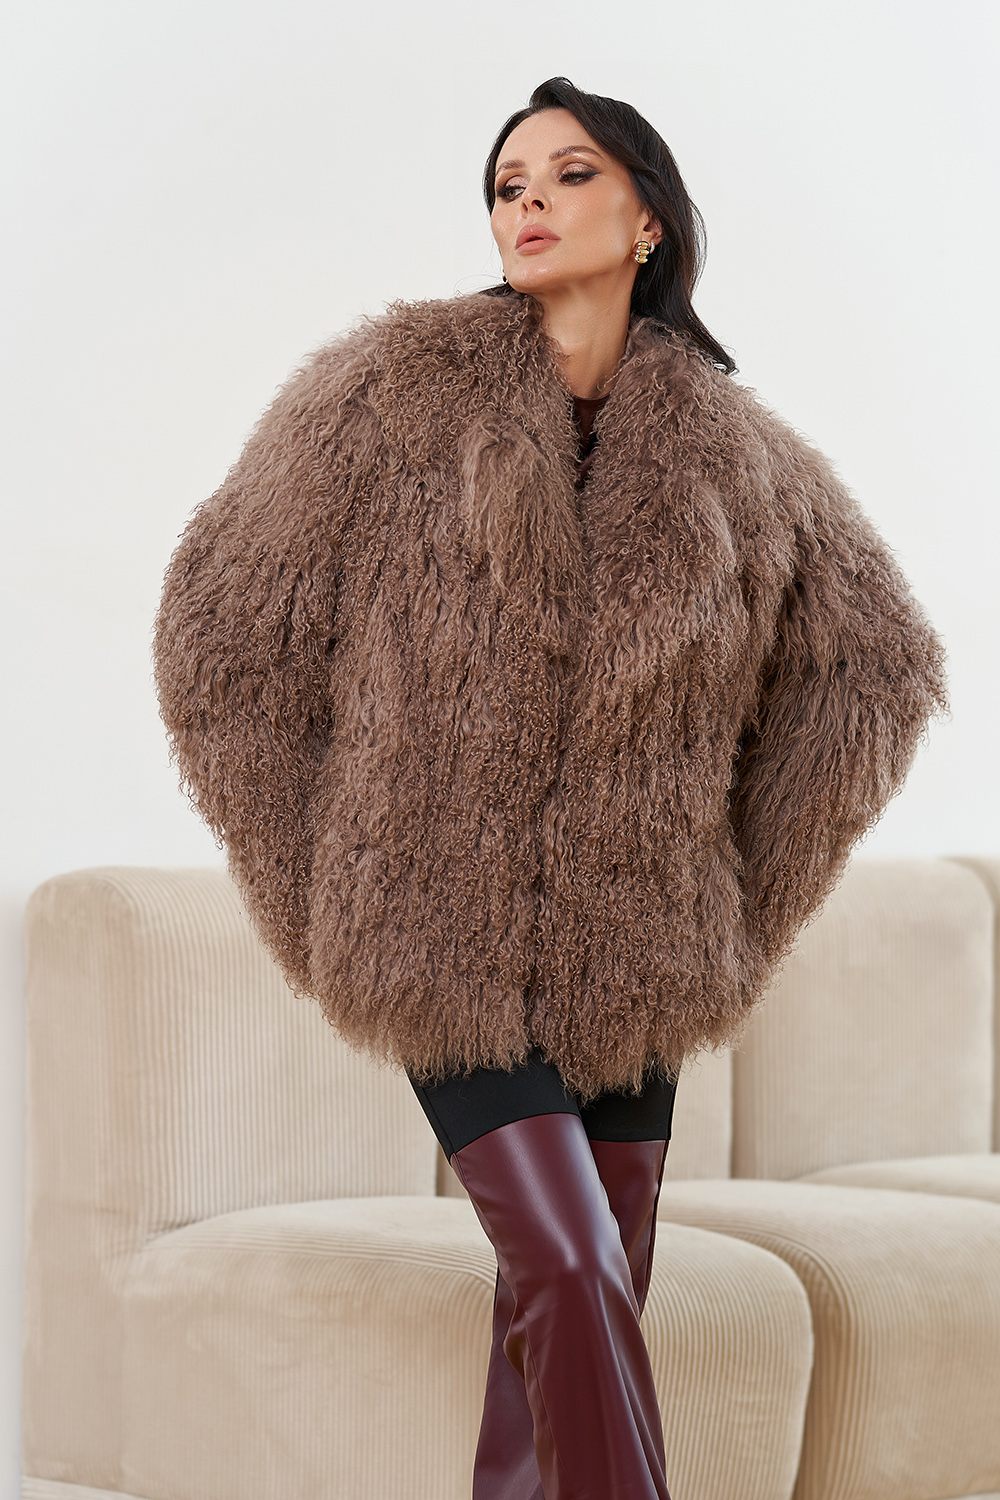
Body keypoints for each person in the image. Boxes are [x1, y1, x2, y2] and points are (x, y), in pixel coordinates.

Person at [152, 76, 949, 1500]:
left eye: (569, 175)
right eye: (508, 183)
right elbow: (220, 632)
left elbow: (876, 671)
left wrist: (733, 903)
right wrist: (329, 878)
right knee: (575, 1266)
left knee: (576, 1302)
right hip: (435, 939)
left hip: (639, 953)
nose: (528, 201)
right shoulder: (388, 395)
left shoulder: (739, 456)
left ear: (648, 219)